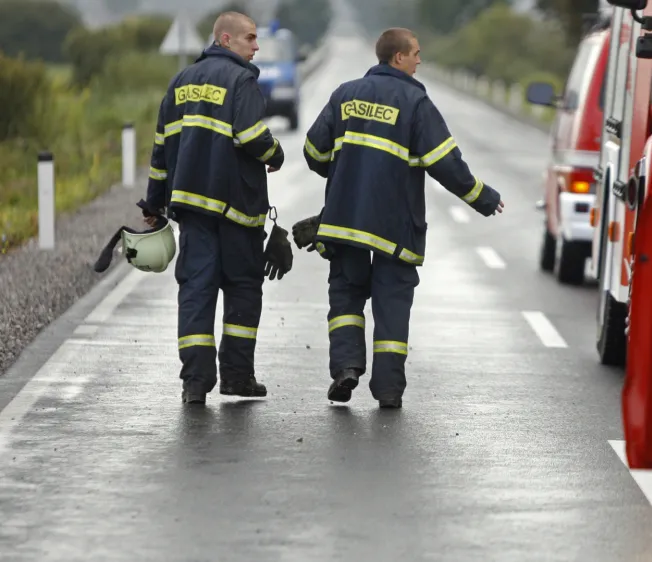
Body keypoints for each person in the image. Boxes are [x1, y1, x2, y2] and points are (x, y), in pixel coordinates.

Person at [293, 27, 504, 409]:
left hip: (343, 222)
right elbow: (446, 164)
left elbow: (312, 150)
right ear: (398, 58)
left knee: (346, 298)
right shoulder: (414, 103)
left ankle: (346, 368)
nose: (420, 60)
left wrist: (342, 174)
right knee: (392, 306)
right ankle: (388, 390)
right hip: (394, 228)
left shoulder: (345, 94)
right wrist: (483, 198)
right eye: (416, 53)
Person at [143, 11, 293, 405]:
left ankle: (195, 382)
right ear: (226, 40)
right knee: (243, 290)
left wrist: (154, 202)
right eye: (250, 38)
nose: (256, 46)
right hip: (237, 212)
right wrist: (276, 153)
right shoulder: (242, 80)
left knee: (196, 292)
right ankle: (237, 377)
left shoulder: (180, 83)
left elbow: (162, 149)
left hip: (193, 214)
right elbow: (251, 136)